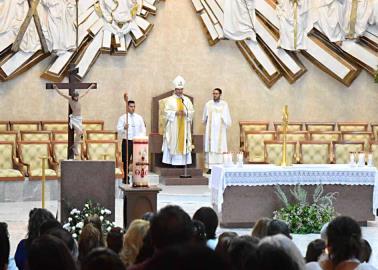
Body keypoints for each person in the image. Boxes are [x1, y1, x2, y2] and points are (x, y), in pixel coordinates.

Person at [53, 83, 96, 157]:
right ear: (73, 96)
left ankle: (75, 146)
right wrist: (56, 88)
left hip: (79, 118)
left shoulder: (79, 98)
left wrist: (91, 86)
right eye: (75, 97)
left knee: (80, 133)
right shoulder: (70, 99)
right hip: (74, 119)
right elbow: (62, 94)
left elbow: (86, 92)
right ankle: (75, 147)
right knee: (79, 132)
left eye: (77, 96)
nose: (77, 98)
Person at [162, 75, 194, 166]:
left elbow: (191, 112)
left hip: (184, 125)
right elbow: (165, 113)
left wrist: (186, 113)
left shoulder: (186, 100)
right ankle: (173, 162)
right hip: (173, 125)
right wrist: (175, 113)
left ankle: (183, 163)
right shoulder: (170, 100)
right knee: (173, 142)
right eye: (178, 89)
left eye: (181, 89)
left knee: (184, 142)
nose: (180, 91)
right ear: (175, 89)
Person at [117, 100, 146, 183]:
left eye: (134, 106)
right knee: (125, 160)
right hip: (127, 141)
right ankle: (126, 178)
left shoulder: (139, 117)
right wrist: (124, 128)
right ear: (127, 107)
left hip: (137, 141)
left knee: (137, 160)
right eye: (131, 106)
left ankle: (137, 177)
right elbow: (118, 130)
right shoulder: (123, 117)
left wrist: (141, 138)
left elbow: (143, 129)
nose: (133, 108)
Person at [202, 88, 232, 172]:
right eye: (214, 93)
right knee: (211, 148)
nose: (215, 95)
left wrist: (224, 123)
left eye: (216, 94)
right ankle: (210, 168)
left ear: (220, 95)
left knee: (219, 148)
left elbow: (227, 118)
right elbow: (204, 118)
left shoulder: (224, 105)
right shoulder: (208, 104)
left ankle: (219, 167)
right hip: (211, 131)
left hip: (220, 131)